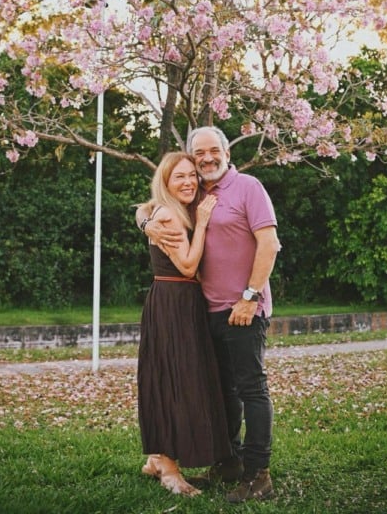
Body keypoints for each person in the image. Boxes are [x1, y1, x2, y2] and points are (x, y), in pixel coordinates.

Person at [139, 127, 281, 503]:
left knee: (251, 389)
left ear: (226, 152)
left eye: (213, 150)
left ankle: (258, 476)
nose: (206, 158)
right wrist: (144, 221)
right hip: (206, 311)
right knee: (222, 391)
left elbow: (269, 244)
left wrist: (250, 297)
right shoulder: (197, 192)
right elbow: (153, 203)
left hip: (243, 309)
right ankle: (229, 462)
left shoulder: (248, 187)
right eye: (198, 153)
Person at [136, 151, 232, 498]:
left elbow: (142, 209)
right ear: (166, 182)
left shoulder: (168, 210)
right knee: (172, 379)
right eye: (179, 177)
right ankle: (169, 469)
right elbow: (189, 266)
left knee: (176, 377)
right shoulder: (169, 216)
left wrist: (142, 219)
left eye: (192, 175)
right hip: (174, 301)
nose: (189, 181)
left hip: (181, 301)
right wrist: (202, 223)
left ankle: (158, 459)